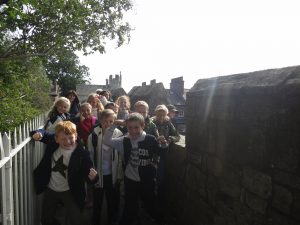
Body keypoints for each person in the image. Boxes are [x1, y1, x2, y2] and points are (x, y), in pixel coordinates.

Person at [31, 121, 98, 225]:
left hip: (70, 190)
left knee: (76, 217)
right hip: (51, 188)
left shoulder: (82, 154)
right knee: (46, 217)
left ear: (76, 136)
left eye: (71, 137)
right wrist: (38, 133)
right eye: (63, 139)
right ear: (56, 139)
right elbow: (42, 133)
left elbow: (88, 172)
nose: (67, 141)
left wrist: (94, 178)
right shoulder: (53, 143)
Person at [103, 113, 163, 225]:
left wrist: (164, 145)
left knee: (151, 203)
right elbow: (107, 141)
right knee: (129, 205)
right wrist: (114, 125)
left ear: (143, 126)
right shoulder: (123, 140)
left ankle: (158, 219)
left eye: (136, 127)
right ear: (126, 127)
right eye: (130, 128)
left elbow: (161, 152)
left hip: (147, 179)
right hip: (130, 179)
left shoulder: (150, 139)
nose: (133, 131)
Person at [87, 109, 123, 225]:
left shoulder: (118, 134)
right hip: (98, 174)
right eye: (105, 121)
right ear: (100, 120)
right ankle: (95, 221)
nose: (108, 124)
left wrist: (119, 175)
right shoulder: (93, 135)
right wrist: (92, 172)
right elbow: (90, 154)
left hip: (112, 175)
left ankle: (112, 220)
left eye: (111, 121)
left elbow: (121, 156)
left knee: (112, 201)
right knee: (97, 202)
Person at [152, 104, 180, 221]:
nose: (161, 117)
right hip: (153, 154)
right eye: (159, 114)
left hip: (163, 154)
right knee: (152, 178)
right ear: (156, 114)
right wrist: (156, 139)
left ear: (166, 114)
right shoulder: (152, 123)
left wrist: (170, 139)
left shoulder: (169, 123)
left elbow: (177, 136)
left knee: (160, 179)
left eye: (163, 114)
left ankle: (159, 204)